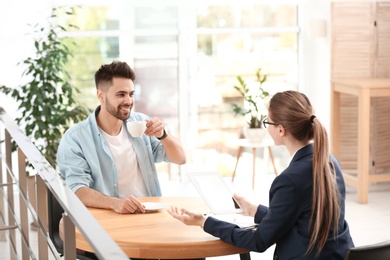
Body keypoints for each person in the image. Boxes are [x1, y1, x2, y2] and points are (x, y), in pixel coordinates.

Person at [168, 90, 355, 259]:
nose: (267, 128)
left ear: (281, 129)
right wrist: (255, 210)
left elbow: (259, 241)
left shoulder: (289, 180)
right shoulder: (330, 161)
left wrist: (204, 222)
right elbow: (300, 219)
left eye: (268, 122)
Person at [57, 60, 186, 214]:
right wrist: (115, 203)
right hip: (109, 218)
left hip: (149, 214)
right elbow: (76, 189)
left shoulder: (141, 123)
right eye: (121, 94)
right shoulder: (75, 138)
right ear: (101, 95)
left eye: (131, 94)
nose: (128, 101)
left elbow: (180, 159)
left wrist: (162, 135)